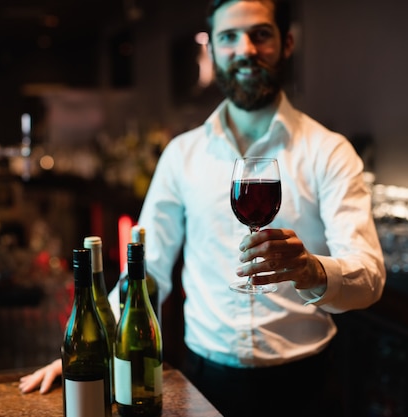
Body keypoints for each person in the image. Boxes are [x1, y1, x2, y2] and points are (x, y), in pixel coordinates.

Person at [20, 0, 386, 415]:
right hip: (206, 382)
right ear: (211, 51)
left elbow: (370, 277)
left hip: (305, 384)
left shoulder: (329, 151)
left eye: (260, 34)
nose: (245, 48)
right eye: (229, 37)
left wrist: (311, 270)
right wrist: (96, 351)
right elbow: (148, 267)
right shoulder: (183, 154)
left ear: (286, 44)